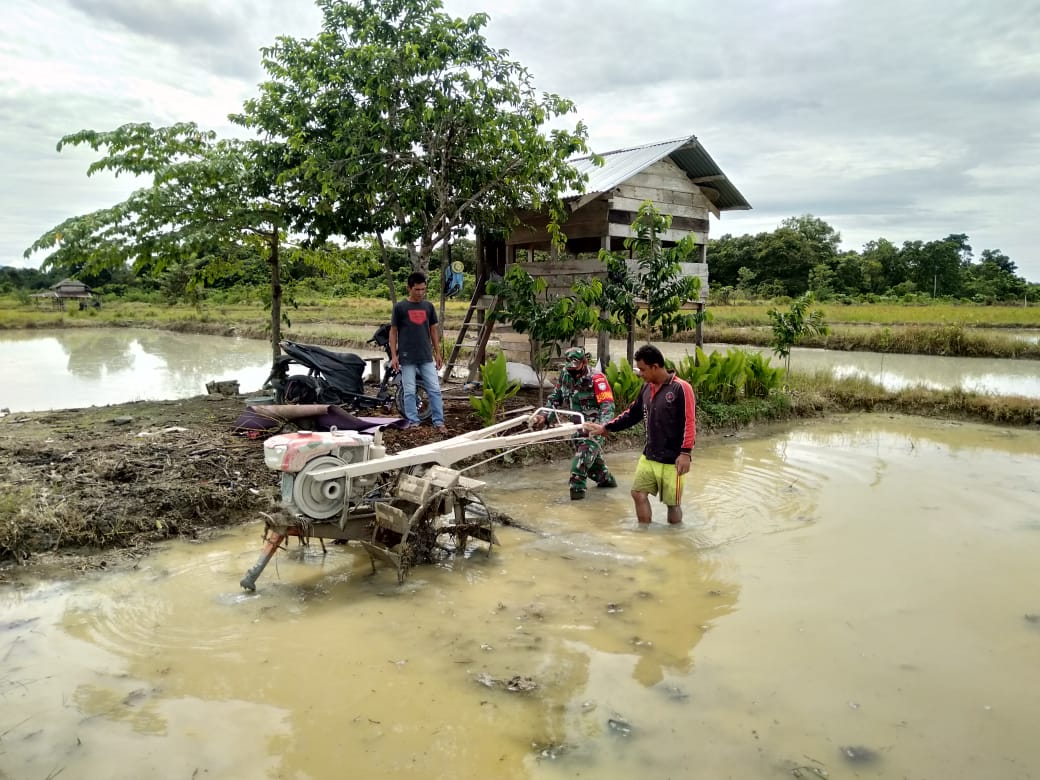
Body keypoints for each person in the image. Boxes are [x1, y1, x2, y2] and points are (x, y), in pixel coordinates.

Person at [585, 344, 695, 525]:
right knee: (637, 494)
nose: (640, 374)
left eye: (643, 369)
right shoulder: (647, 388)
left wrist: (685, 453)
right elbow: (632, 414)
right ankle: (645, 534)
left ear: (655, 367)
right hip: (650, 454)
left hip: (673, 459)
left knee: (672, 504)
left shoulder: (681, 388)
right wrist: (606, 427)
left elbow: (690, 422)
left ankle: (674, 538)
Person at [532, 347, 618, 501]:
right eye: (570, 368)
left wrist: (604, 426)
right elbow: (555, 398)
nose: (573, 372)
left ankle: (577, 506)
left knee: (578, 468)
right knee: (596, 471)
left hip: (593, 431)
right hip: (577, 429)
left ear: (584, 363)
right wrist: (544, 417)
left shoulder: (597, 379)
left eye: (576, 367)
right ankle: (610, 486)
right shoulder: (565, 375)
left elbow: (607, 405)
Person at [389, 272, 447, 433]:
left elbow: (433, 330)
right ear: (409, 288)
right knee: (409, 391)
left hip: (426, 356)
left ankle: (438, 421)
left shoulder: (428, 306)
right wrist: (394, 355)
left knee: (434, 389)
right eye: (417, 289)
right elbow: (393, 332)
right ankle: (413, 421)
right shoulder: (400, 308)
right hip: (407, 357)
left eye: (423, 289)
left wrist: (437, 352)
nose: (420, 293)